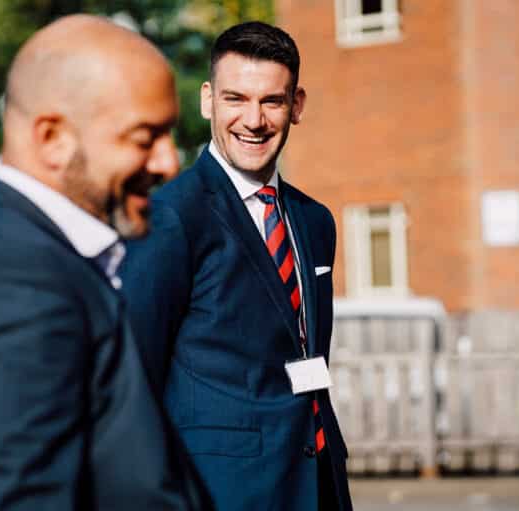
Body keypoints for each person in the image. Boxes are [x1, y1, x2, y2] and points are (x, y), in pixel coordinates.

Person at [0, 15, 212, 510]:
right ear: (53, 138)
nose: (168, 162)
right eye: (144, 138)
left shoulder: (16, 252)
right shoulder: (14, 280)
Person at [121, 21, 353, 511]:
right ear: (208, 100)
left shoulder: (315, 221)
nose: (254, 120)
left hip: (319, 483)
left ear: (297, 107)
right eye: (235, 99)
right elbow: (132, 377)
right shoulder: (169, 217)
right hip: (222, 491)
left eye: (272, 101)